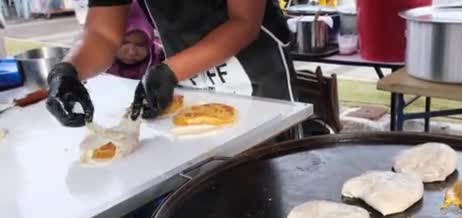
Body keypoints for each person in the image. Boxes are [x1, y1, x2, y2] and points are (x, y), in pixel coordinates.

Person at [46, 0, 294, 127]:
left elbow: (244, 22)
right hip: (185, 69)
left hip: (256, 70)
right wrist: (67, 71)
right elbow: (103, 33)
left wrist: (170, 71)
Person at [106, 0, 164, 80]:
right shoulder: (97, 59)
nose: (131, 53)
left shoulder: (161, 60)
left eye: (140, 45)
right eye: (124, 43)